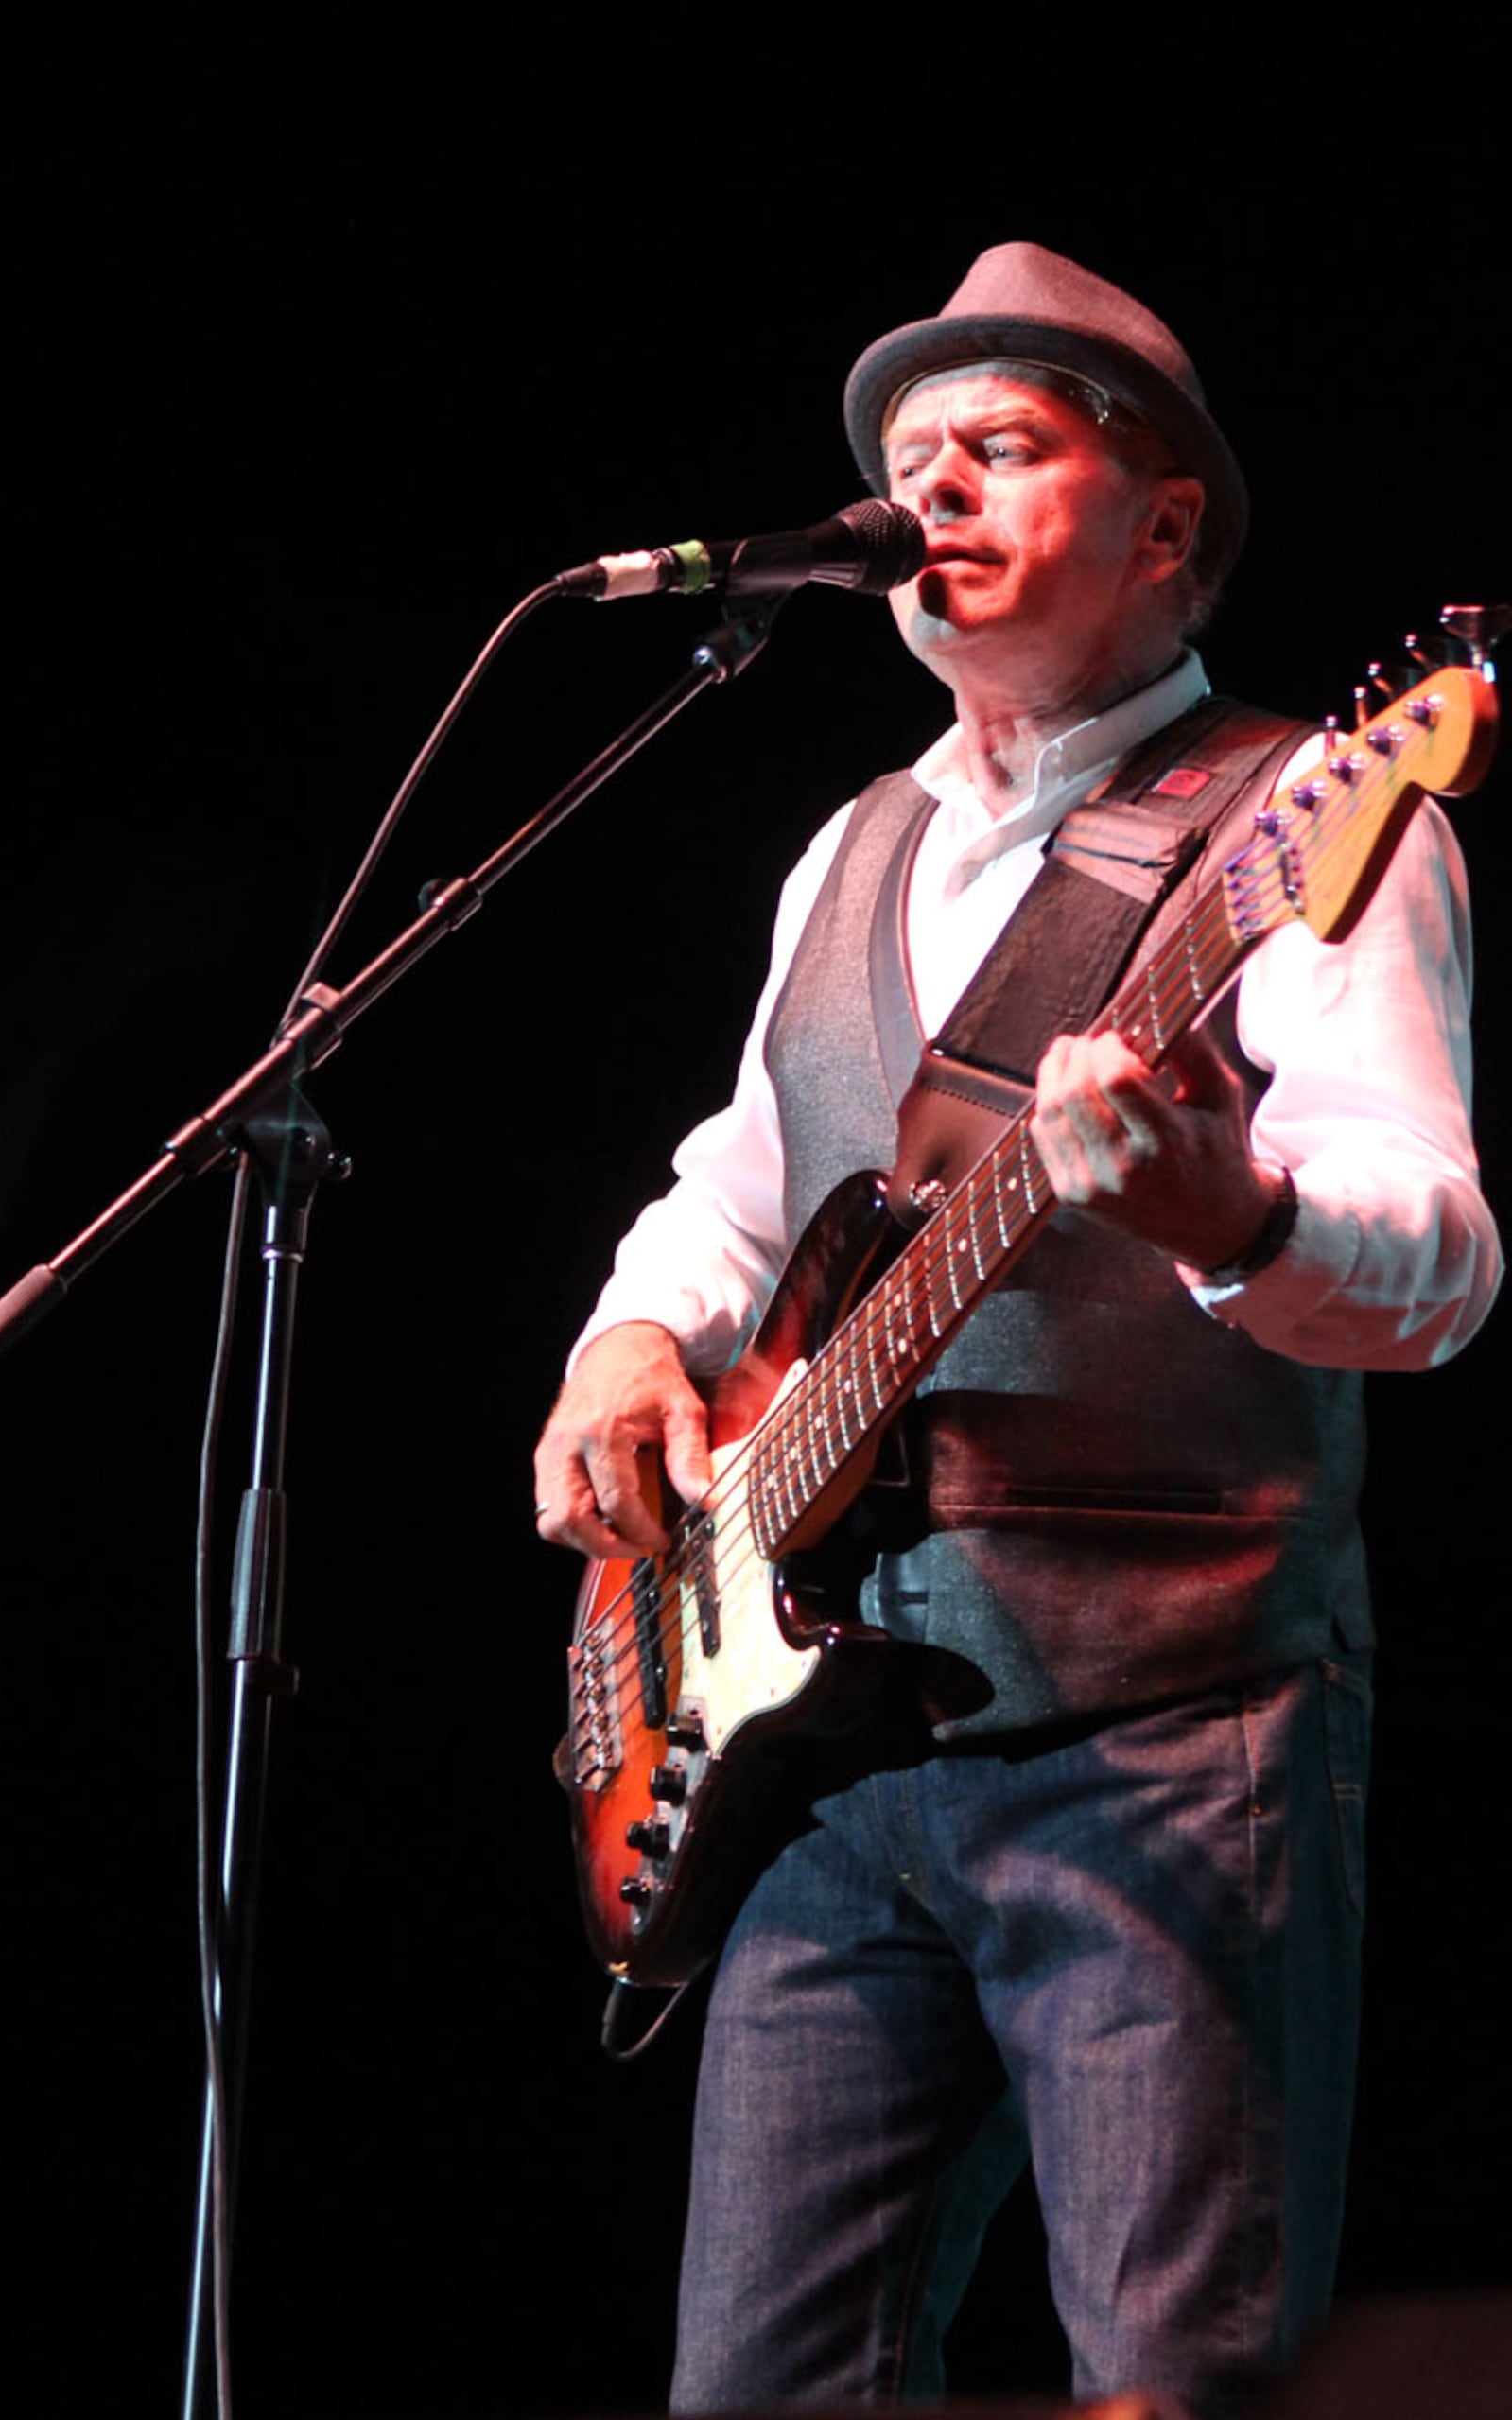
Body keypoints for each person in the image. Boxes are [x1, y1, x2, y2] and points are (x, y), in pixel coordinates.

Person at [528, 243, 1495, 2414]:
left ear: (1165, 527)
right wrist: (626, 1344)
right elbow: (737, 1175)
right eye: (897, 464)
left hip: (1166, 1735)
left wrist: (1224, 1206)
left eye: (997, 448)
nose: (925, 496)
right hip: (823, 1754)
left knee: (1167, 2379)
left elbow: (1435, 1248)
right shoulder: (845, 846)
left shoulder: (1309, 813)